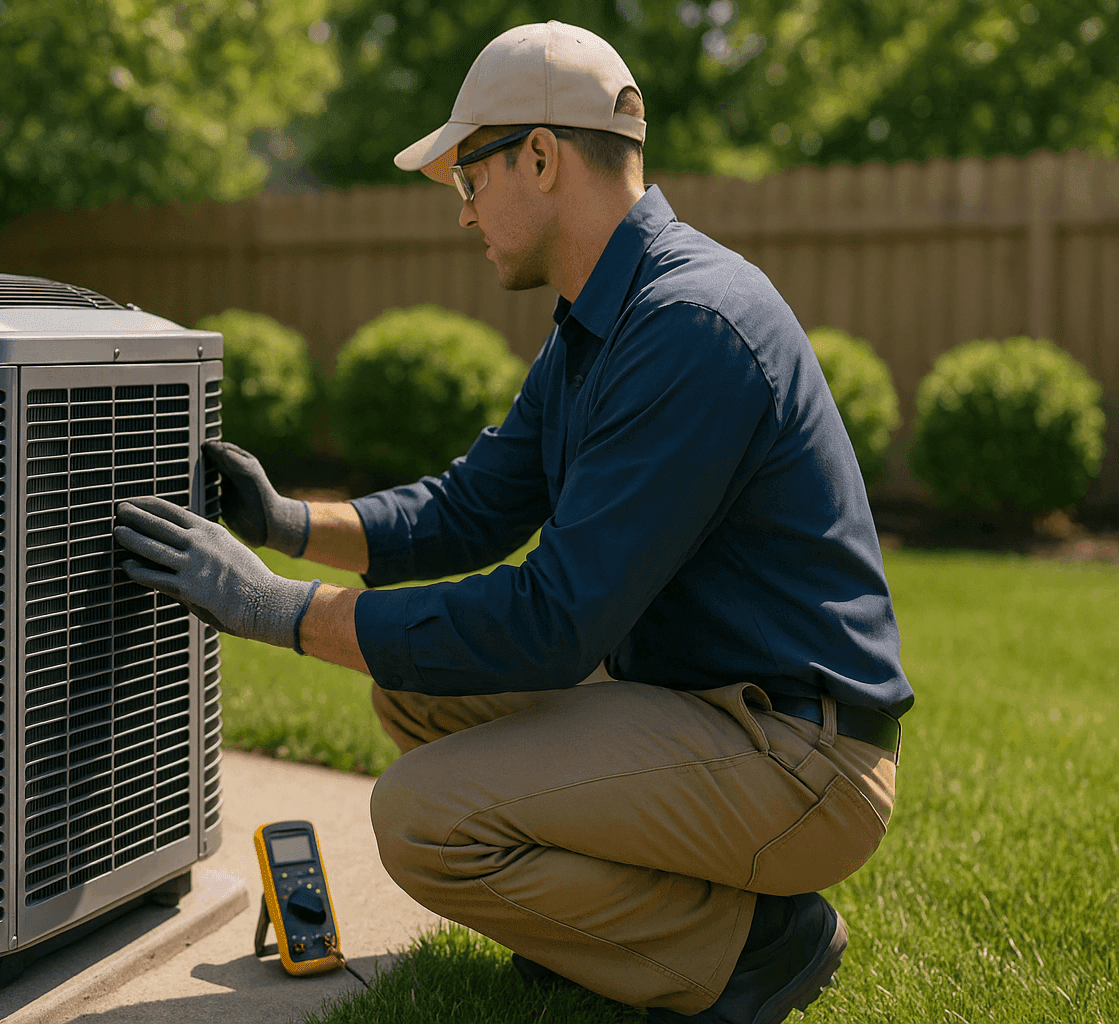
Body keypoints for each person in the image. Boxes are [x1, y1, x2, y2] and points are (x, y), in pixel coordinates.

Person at [112, 20, 911, 1024]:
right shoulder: (599, 323)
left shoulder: (690, 326)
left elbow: (552, 619)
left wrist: (276, 610)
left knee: (419, 819)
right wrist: (290, 523)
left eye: (469, 177)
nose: (463, 213)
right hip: (707, 705)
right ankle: (626, 922)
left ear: (540, 155)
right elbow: (470, 505)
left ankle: (747, 948)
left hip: (802, 759)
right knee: (420, 703)